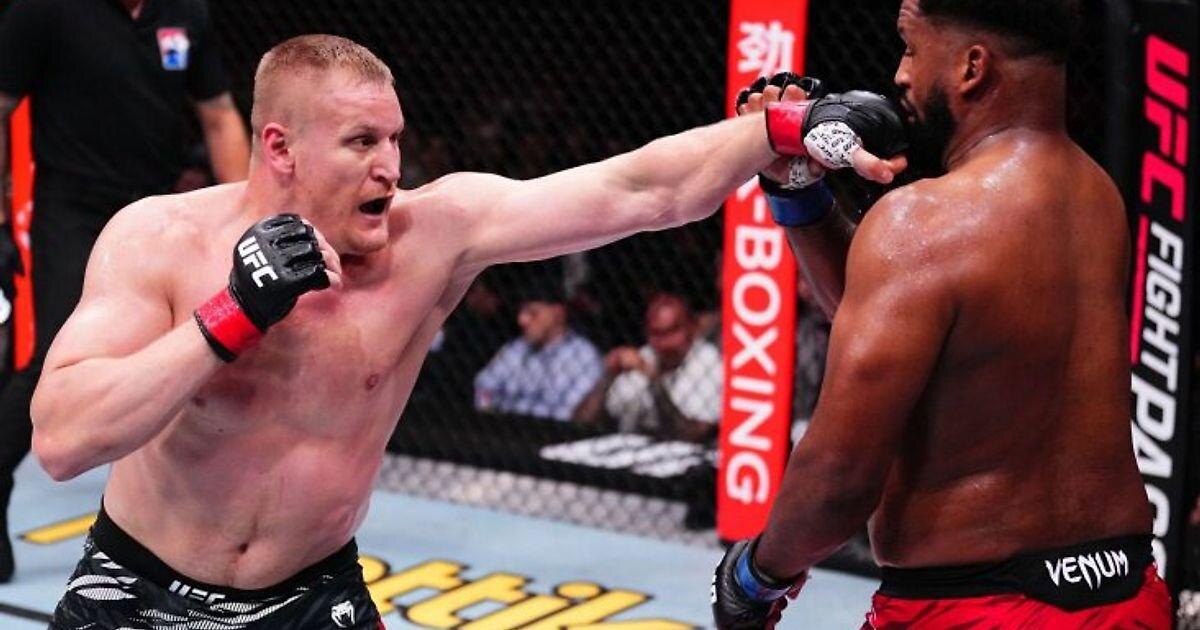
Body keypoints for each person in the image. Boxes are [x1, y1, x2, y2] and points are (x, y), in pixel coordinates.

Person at [28, 34, 901, 628]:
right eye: (361, 142)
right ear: (281, 148)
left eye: (395, 139)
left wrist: (781, 128)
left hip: (309, 595)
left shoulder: (433, 236)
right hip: (135, 586)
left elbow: (639, 190)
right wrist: (230, 315)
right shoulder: (160, 239)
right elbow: (64, 439)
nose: (391, 168)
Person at [711, 1, 1171, 628]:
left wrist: (756, 575)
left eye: (910, 47)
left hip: (974, 608)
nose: (899, 74)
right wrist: (798, 191)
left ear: (972, 67)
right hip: (1127, 594)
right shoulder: (1096, 198)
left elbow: (840, 478)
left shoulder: (923, 222)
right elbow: (901, 318)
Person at [0, 0, 250, 583]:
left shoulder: (185, 12)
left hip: (155, 212)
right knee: (54, 360)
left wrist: (249, 219)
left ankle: (182, 526)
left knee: (190, 359)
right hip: (70, 210)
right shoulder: (44, 9)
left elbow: (218, 115)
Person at [574, 293, 721, 443]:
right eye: (656, 333)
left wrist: (654, 382)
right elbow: (581, 423)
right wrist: (607, 377)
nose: (664, 343)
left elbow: (690, 434)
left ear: (692, 328)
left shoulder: (709, 362)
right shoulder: (646, 355)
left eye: (672, 331)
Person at [474, 267, 603, 421]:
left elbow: (574, 413)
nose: (522, 320)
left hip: (555, 433)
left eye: (532, 313)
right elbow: (483, 389)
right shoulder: (515, 349)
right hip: (502, 429)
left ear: (558, 313)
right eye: (521, 312)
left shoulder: (583, 355)